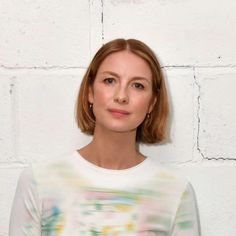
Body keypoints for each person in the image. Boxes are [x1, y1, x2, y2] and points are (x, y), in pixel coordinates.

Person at [9, 38, 201, 235]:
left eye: (138, 86)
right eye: (110, 81)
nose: (121, 96)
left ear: (152, 102)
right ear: (90, 92)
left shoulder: (175, 191)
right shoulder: (39, 181)